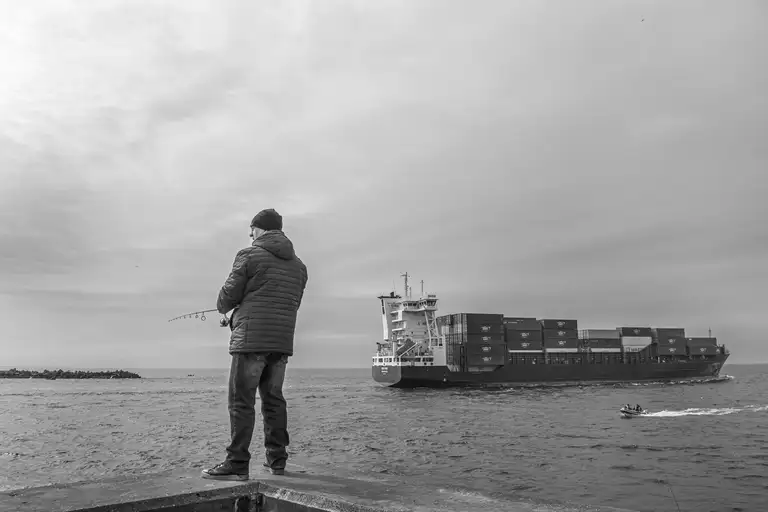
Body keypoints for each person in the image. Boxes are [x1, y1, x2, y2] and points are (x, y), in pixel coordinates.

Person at [202, 208, 308, 481]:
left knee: (241, 402)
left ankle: (237, 463)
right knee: (273, 401)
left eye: (252, 229)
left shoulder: (248, 255)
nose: (250, 234)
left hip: (250, 341)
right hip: (281, 342)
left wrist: (230, 311)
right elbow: (290, 303)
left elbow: (226, 298)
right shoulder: (299, 267)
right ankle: (277, 461)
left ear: (261, 229)